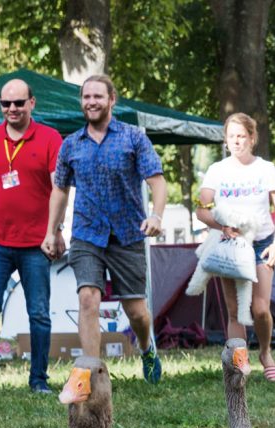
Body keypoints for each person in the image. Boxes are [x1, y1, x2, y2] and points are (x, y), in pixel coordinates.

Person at [46, 74, 167, 383]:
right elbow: (60, 190)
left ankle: (146, 347)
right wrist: (52, 230)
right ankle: (92, 373)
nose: (91, 102)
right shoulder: (71, 144)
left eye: (98, 96)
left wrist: (156, 215)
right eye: (86, 97)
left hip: (127, 234)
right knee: (88, 297)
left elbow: (156, 179)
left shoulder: (133, 137)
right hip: (87, 233)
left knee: (136, 311)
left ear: (112, 100)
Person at [0, 78, 63, 396]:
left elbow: (59, 188)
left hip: (36, 242)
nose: (12, 109)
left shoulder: (49, 137)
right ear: (0, 106)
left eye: (19, 103)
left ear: (32, 103)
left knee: (39, 312)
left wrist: (54, 231)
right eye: (6, 104)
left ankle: (39, 380)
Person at [196, 113, 275, 381]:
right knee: (235, 309)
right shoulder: (217, 171)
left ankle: (265, 352)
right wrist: (221, 225)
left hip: (262, 243)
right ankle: (238, 361)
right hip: (231, 245)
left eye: (241, 136)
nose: (236, 141)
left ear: (252, 138)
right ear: (225, 140)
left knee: (260, 308)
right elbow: (202, 210)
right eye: (231, 137)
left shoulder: (265, 169)